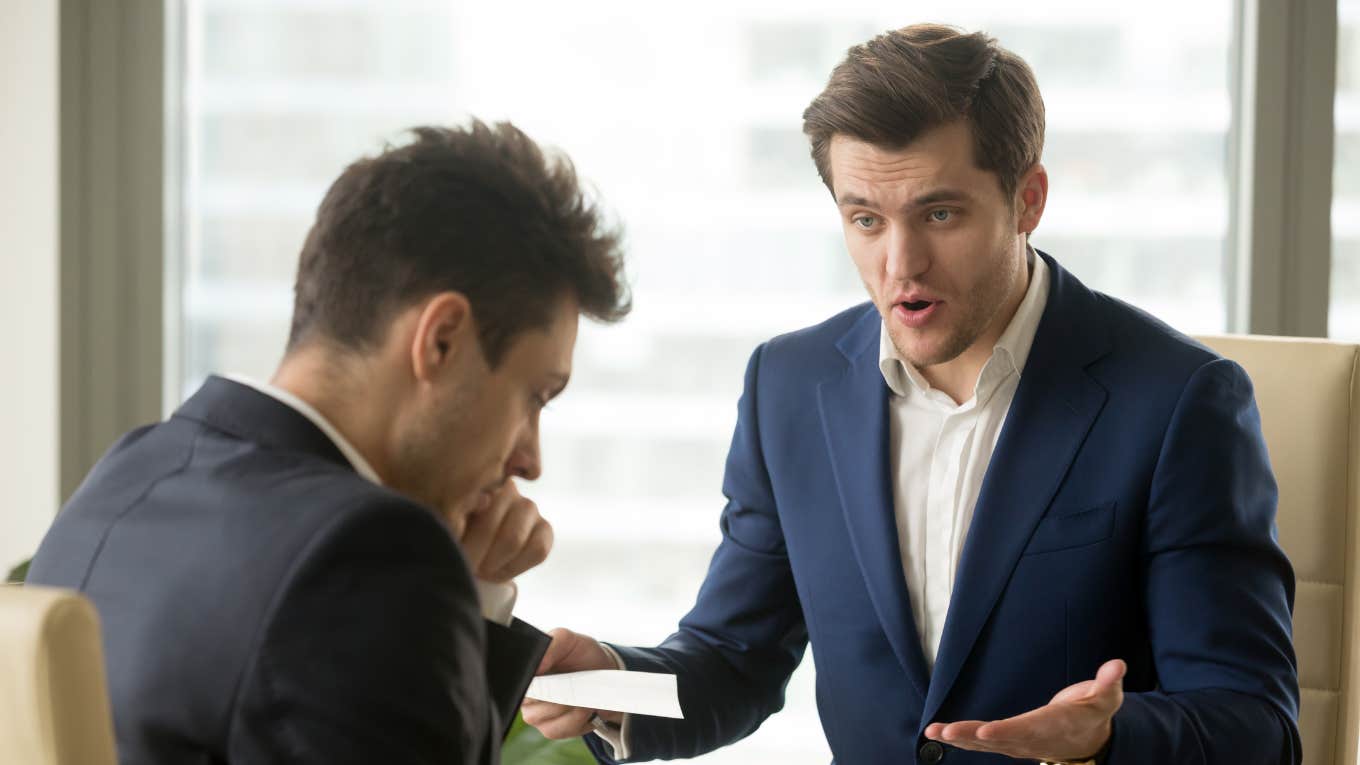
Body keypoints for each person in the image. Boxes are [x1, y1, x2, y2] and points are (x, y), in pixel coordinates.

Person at [522, 24, 1300, 765]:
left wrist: (1104, 740)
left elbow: (1256, 724)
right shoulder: (788, 387)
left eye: (939, 213)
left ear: (1028, 199)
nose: (901, 264)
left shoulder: (1178, 402)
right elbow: (737, 657)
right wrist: (610, 682)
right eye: (865, 219)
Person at [27, 121, 630, 764]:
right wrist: (470, 602)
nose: (529, 460)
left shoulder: (132, 472)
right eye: (535, 395)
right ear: (441, 340)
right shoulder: (368, 558)